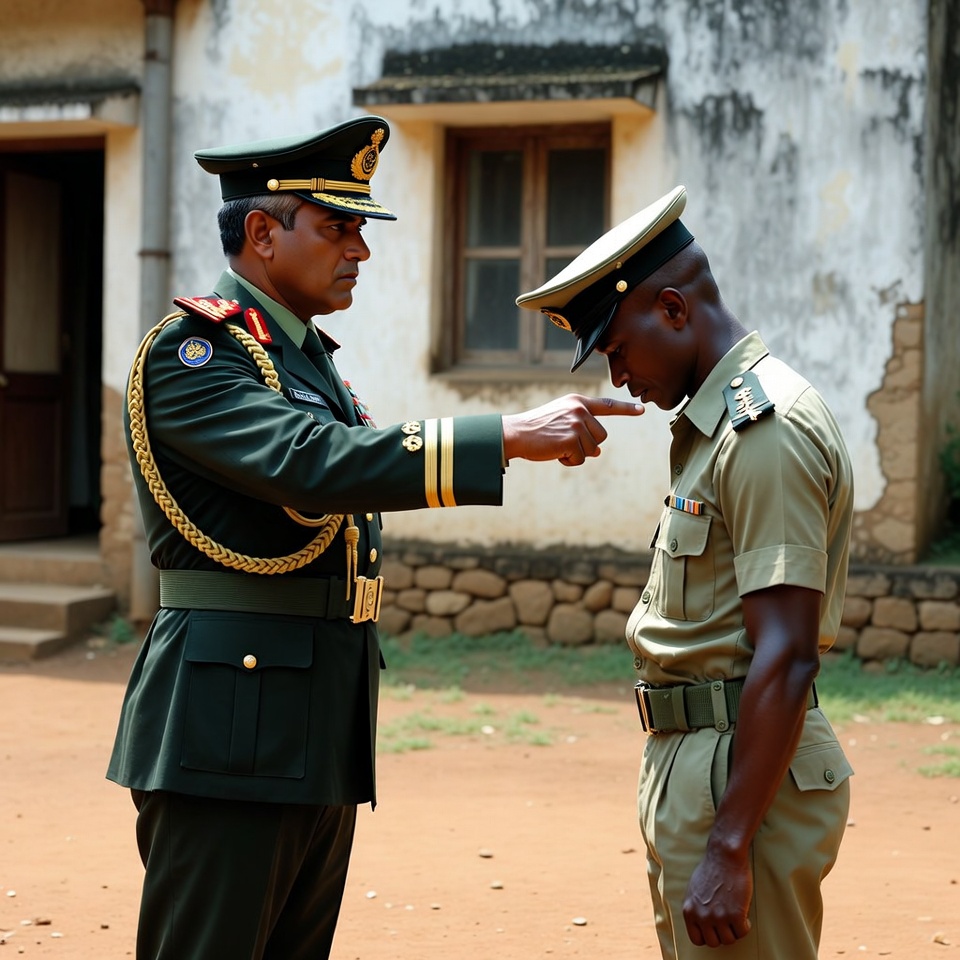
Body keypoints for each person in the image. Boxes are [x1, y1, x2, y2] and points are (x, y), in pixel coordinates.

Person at [107, 115, 643, 960]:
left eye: (360, 229)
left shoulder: (304, 358)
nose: (359, 249)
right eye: (337, 227)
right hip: (227, 729)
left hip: (312, 721)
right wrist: (505, 435)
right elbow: (310, 463)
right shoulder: (195, 355)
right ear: (262, 233)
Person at [517, 185, 854, 959]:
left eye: (617, 350)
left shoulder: (763, 432)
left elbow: (787, 654)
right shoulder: (714, 428)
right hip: (702, 761)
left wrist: (729, 845)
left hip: (741, 775)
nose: (618, 376)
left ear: (672, 309)